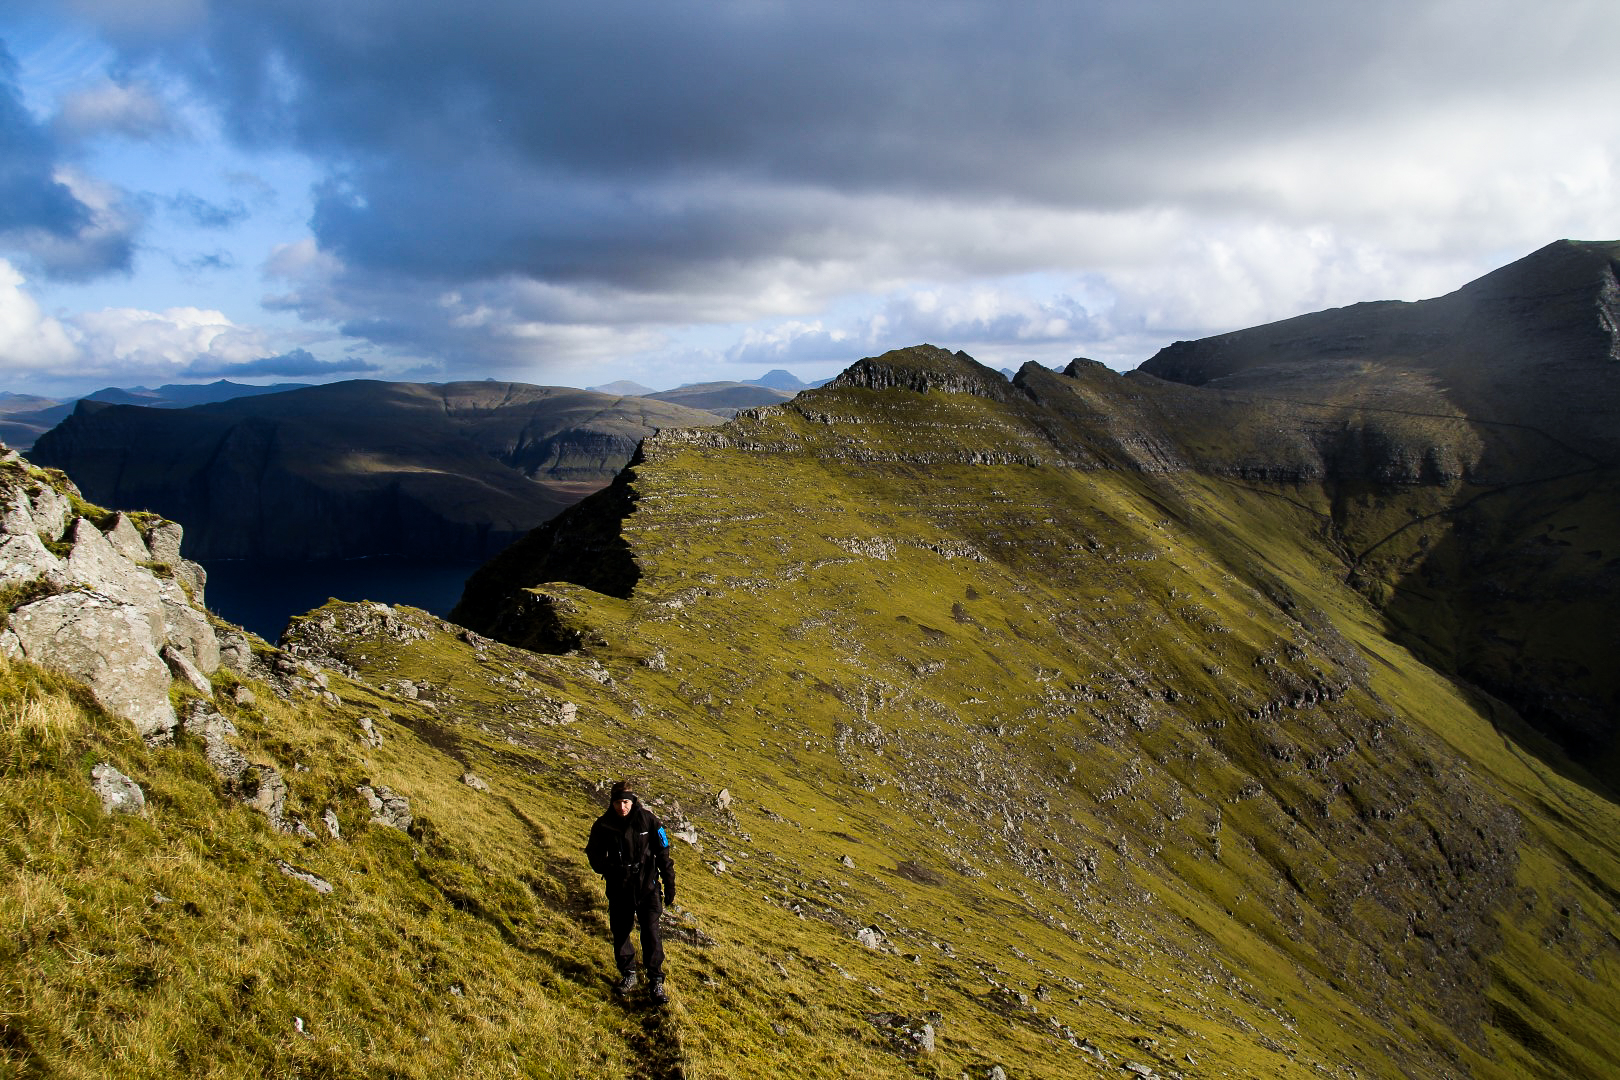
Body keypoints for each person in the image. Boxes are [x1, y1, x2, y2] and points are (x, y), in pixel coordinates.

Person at [584, 779, 676, 1004]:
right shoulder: (603, 825)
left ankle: (656, 981)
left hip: (648, 888)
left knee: (651, 934)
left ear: (632, 801)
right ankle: (629, 974)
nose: (621, 807)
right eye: (617, 802)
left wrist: (669, 883)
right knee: (621, 932)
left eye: (625, 802)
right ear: (612, 803)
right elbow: (593, 854)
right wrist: (610, 869)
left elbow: (663, 852)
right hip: (619, 889)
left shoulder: (649, 821)